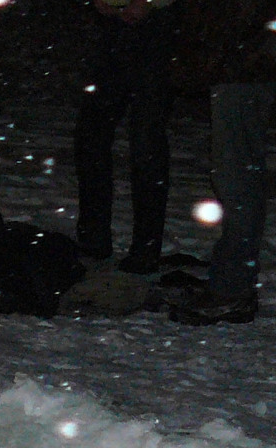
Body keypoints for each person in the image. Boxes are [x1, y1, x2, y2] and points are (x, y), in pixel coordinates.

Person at [168, 0, 276, 325]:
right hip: (240, 64)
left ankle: (232, 289)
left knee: (236, 178)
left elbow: (235, 19)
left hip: (242, 67)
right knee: (235, 176)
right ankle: (230, 282)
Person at [72, 0, 178, 274]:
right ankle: (94, 238)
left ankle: (145, 249)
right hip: (112, 25)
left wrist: (150, 4)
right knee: (92, 135)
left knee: (146, 141)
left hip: (156, 27)